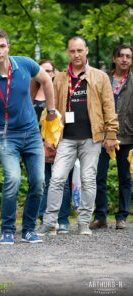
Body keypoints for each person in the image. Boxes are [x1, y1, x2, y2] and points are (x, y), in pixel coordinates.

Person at [0, 28, 56, 245]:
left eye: (2, 46)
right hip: (6, 135)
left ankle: (29, 229)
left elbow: (47, 80)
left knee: (38, 181)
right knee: (13, 179)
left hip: (31, 132)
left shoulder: (25, 64)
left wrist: (51, 110)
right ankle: (7, 229)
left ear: (8, 46)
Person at [37, 36, 118, 236]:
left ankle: (83, 223)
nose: (76, 55)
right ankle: (49, 221)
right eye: (72, 51)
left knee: (89, 180)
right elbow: (51, 109)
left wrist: (111, 133)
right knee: (56, 178)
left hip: (92, 138)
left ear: (87, 51)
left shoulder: (100, 77)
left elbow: (109, 107)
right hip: (66, 138)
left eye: (80, 50)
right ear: (68, 53)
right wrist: (49, 136)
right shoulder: (60, 79)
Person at [90, 45, 133, 230]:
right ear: (114, 59)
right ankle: (100, 216)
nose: (124, 59)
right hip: (103, 137)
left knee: (125, 178)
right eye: (121, 56)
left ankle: (122, 217)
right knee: (98, 176)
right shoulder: (102, 80)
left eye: (128, 57)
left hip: (128, 136)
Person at [31, 59, 72, 233]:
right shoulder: (30, 92)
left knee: (61, 181)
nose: (46, 74)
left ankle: (62, 219)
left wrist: (58, 139)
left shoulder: (61, 92)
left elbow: (69, 116)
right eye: (43, 71)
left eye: (49, 71)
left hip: (60, 141)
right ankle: (44, 218)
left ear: (55, 73)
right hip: (37, 144)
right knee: (41, 182)